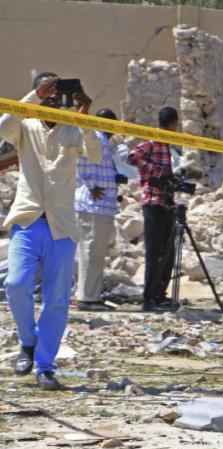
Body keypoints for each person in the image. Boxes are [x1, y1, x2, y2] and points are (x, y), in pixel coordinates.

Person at [1, 73, 99, 390]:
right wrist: (32, 98)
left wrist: (85, 112)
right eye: (47, 87)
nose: (54, 94)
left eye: (58, 88)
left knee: (56, 300)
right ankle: (28, 342)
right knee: (16, 284)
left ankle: (45, 365)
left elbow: (96, 154)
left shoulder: (73, 125)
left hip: (62, 226)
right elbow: (2, 131)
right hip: (28, 220)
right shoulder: (26, 124)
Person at [127, 106, 179, 312]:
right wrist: (155, 172)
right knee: (154, 253)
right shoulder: (152, 141)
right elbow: (132, 157)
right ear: (174, 124)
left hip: (166, 203)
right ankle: (149, 298)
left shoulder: (166, 145)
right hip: (153, 203)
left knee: (168, 253)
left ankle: (160, 294)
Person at [74, 108, 122, 312]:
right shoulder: (98, 139)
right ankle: (88, 298)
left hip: (97, 205)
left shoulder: (98, 140)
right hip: (94, 205)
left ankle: (88, 295)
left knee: (89, 252)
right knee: (91, 252)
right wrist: (90, 184)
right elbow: (81, 164)